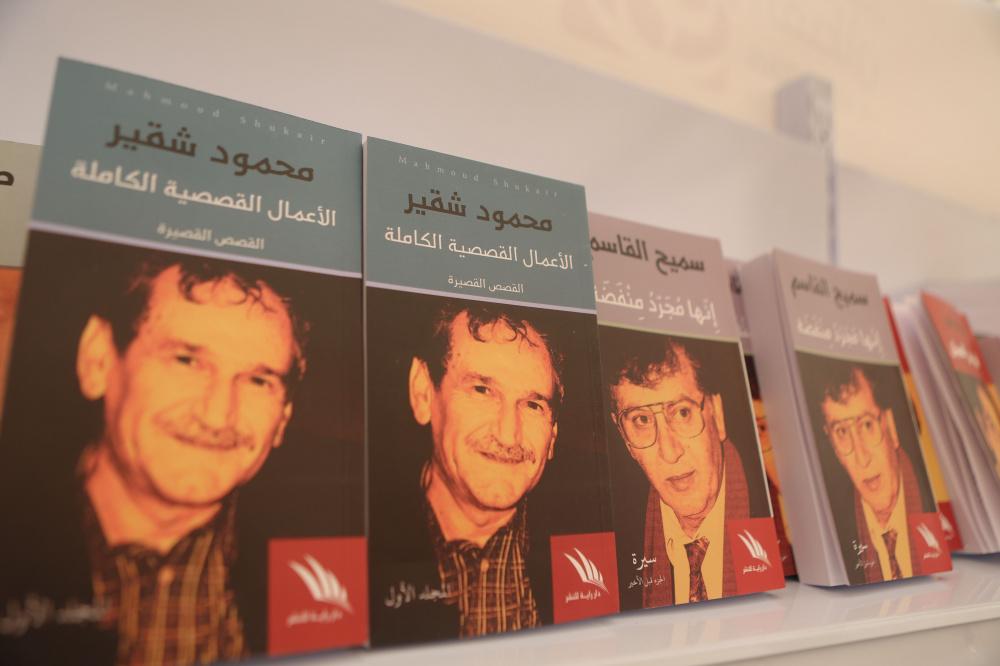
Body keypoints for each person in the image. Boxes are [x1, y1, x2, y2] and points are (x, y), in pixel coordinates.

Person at [2, 253, 309, 665]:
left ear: (284, 417)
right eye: (187, 360)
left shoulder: (317, 569)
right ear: (98, 359)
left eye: (258, 380)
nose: (217, 415)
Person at [381, 301, 563, 640]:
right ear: (423, 391)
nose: (508, 435)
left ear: (553, 436)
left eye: (533, 405)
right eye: (482, 390)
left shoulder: (585, 557)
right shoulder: (359, 552)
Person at [608, 337, 752, 607]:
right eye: (641, 420)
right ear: (624, 437)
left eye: (682, 413)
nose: (670, 452)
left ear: (717, 414)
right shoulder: (614, 558)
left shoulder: (776, 517)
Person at [818, 366, 926, 583]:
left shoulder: (932, 503)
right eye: (842, 432)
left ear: (890, 427)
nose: (862, 458)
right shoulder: (830, 539)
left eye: (867, 425)